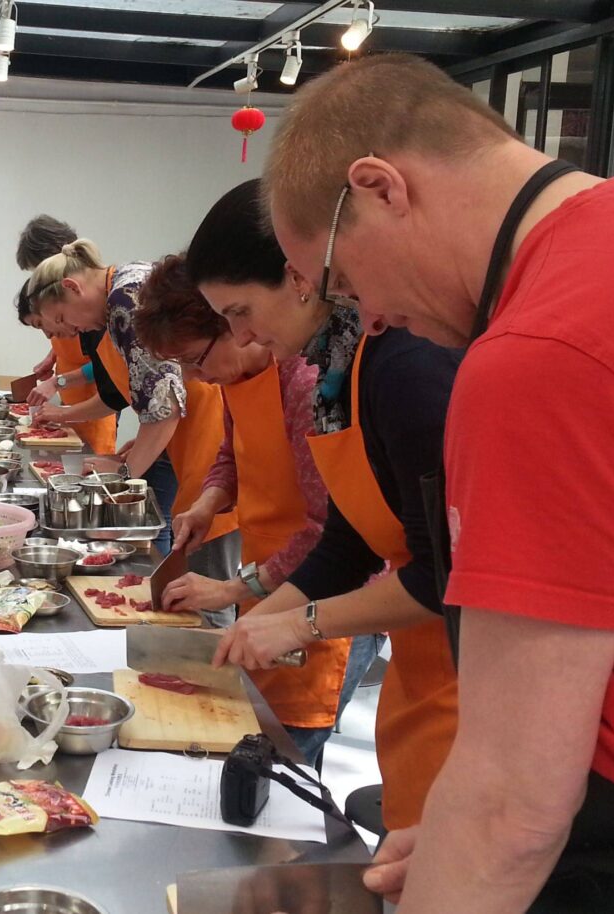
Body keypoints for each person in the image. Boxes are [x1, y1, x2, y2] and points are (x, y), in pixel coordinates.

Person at [267, 54, 614, 912]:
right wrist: (478, 836)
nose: (373, 317)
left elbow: (511, 803)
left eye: (346, 283)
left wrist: (488, 839)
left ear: (382, 187)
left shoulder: (547, 352)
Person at [195, 178, 463, 826]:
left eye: (238, 311)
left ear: (297, 277)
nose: (242, 333)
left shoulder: (404, 366)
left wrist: (295, 624)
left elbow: (444, 574)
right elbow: (347, 542)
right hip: (420, 679)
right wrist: (255, 621)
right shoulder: (335, 369)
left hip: (475, 682)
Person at [134, 249, 369, 767]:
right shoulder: (239, 378)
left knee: (285, 756)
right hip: (268, 581)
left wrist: (233, 587)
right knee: (251, 732)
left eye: (197, 359)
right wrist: (206, 504)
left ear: (235, 323)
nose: (196, 377)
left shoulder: (303, 385)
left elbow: (329, 530)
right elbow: (230, 456)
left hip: (324, 595)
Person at [26, 240, 236, 556]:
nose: (71, 330)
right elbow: (146, 391)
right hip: (188, 436)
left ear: (72, 287)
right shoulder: (121, 289)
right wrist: (138, 447)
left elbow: (165, 407)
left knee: (202, 569)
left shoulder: (124, 300)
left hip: (205, 437)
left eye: (61, 318)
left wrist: (119, 482)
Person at [14, 215, 119, 457]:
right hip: (74, 407)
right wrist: (53, 357)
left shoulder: (98, 311)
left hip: (95, 407)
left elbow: (107, 366)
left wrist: (58, 383)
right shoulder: (78, 310)